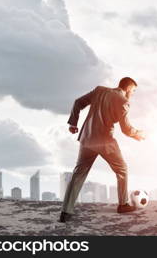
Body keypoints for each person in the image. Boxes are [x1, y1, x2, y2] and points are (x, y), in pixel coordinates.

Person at [59, 77, 145, 223]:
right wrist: (138, 134)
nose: (133, 94)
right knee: (122, 169)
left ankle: (65, 213)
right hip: (105, 143)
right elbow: (126, 129)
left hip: (86, 139)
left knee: (78, 174)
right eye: (134, 91)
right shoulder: (124, 102)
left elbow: (77, 103)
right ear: (129, 89)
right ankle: (123, 204)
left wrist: (73, 123)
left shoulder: (99, 91)